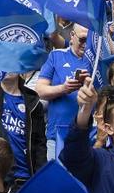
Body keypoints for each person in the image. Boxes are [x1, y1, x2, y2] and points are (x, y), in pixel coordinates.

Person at [33, 24, 91, 161]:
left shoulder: (96, 61)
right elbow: (40, 91)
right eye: (82, 39)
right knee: (58, 180)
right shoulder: (56, 56)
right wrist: (63, 88)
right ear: (72, 36)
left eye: (89, 41)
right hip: (57, 135)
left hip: (89, 135)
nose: (85, 44)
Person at [0, 72, 45, 185]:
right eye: (4, 63)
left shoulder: (33, 102)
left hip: (25, 177)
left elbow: (40, 143)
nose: (7, 68)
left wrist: (40, 177)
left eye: (11, 64)